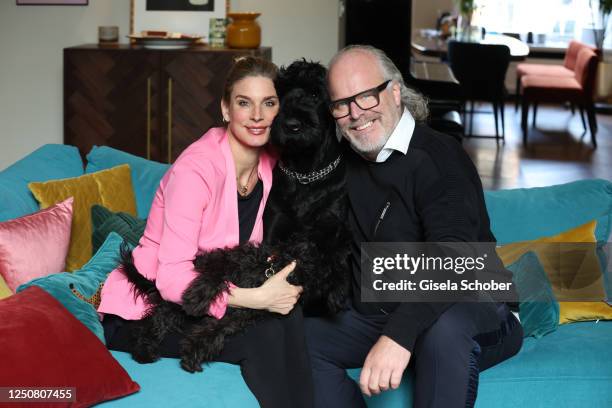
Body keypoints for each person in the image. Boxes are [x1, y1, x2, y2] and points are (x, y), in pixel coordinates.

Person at [304, 45, 524, 408]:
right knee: (295, 340)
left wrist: (398, 336)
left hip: (473, 305)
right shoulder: (344, 163)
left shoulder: (439, 156)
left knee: (443, 330)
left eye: (365, 97)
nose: (355, 114)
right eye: (341, 104)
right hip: (382, 312)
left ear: (393, 92)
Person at [97, 56, 313, 408]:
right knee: (265, 334)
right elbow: (171, 279)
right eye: (245, 103)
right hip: (150, 309)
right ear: (226, 110)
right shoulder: (195, 170)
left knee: (290, 318)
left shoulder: (273, 160)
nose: (257, 115)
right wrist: (256, 298)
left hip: (213, 292)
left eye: (269, 103)